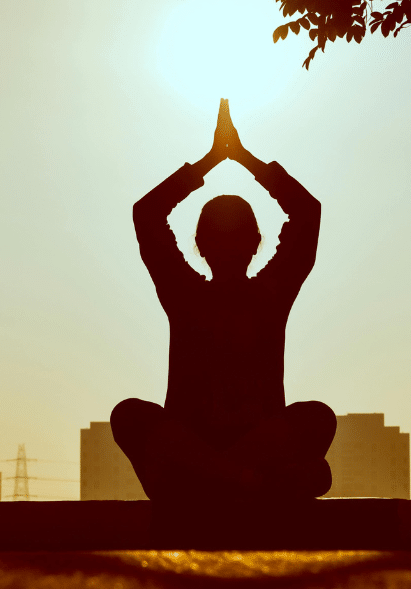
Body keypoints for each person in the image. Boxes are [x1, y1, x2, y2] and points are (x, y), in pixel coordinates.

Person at [112, 99, 336, 501]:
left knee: (318, 417)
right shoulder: (212, 295)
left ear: (198, 245)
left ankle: (221, 478)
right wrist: (237, 159)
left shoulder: (212, 294)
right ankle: (241, 481)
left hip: (208, 463)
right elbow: (306, 212)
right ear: (257, 244)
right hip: (220, 457)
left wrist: (218, 160)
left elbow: (148, 215)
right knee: (128, 415)